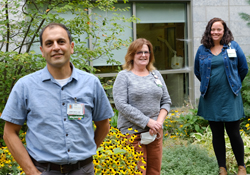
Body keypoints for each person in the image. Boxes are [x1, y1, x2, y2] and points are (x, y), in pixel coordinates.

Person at [1, 22, 113, 175]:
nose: (55, 47)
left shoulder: (91, 83)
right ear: (42, 51)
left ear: (71, 47)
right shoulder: (25, 86)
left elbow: (104, 125)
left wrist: (84, 153)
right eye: (49, 43)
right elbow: (9, 133)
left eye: (61, 41)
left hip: (83, 171)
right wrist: (32, 172)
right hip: (43, 171)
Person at [194, 17, 248, 175]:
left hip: (230, 96)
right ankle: (222, 168)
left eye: (219, 29)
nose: (215, 32)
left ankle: (241, 167)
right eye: (213, 29)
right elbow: (198, 71)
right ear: (208, 31)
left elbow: (243, 68)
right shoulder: (202, 50)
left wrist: (234, 84)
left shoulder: (233, 46)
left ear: (224, 31)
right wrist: (209, 84)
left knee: (234, 133)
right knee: (216, 134)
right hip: (211, 97)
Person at [113, 38, 171, 175]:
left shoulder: (156, 75)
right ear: (132, 55)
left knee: (154, 172)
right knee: (137, 172)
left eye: (146, 52)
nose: (143, 55)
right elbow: (121, 105)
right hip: (132, 134)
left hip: (154, 134)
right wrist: (148, 122)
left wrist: (158, 123)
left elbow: (166, 101)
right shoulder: (124, 76)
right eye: (139, 52)